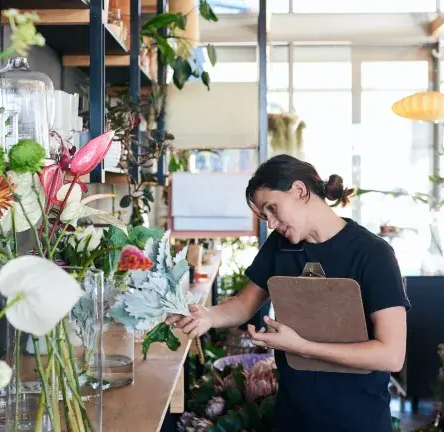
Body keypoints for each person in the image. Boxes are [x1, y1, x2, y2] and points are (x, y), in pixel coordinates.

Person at [166, 154, 411, 432]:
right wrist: (207, 316)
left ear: (299, 191)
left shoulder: (373, 254)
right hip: (292, 418)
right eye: (264, 215)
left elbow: (391, 355)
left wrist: (300, 347)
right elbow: (245, 304)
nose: (270, 223)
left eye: (272, 208)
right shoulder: (281, 245)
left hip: (356, 420)